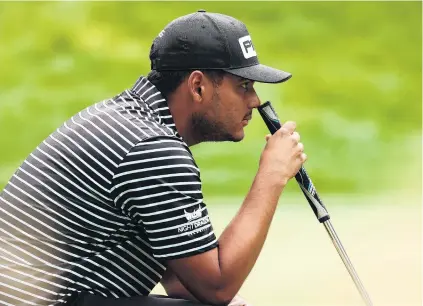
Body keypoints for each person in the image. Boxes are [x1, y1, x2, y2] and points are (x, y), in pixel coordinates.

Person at [0, 10, 306, 306]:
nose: (254, 100)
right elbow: (217, 285)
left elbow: (181, 276)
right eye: (243, 85)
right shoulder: (153, 148)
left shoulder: (130, 120)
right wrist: (272, 174)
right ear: (197, 86)